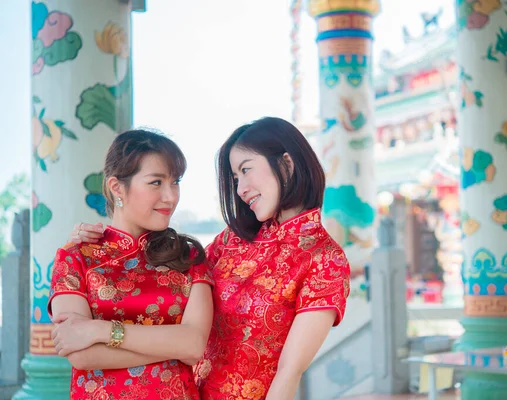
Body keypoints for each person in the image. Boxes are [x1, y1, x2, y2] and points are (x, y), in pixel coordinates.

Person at [71, 117, 351, 400]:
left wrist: (100, 332)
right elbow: (161, 283)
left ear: (287, 164)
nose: (241, 189)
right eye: (235, 178)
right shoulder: (232, 241)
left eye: (246, 170)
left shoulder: (325, 259)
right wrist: (102, 244)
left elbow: (289, 373)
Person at [49, 129, 214, 399]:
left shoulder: (188, 257)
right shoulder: (77, 256)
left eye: (175, 182)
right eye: (156, 183)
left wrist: (100, 330)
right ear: (117, 187)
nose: (171, 196)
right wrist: (173, 345)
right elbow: (81, 354)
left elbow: (194, 346)